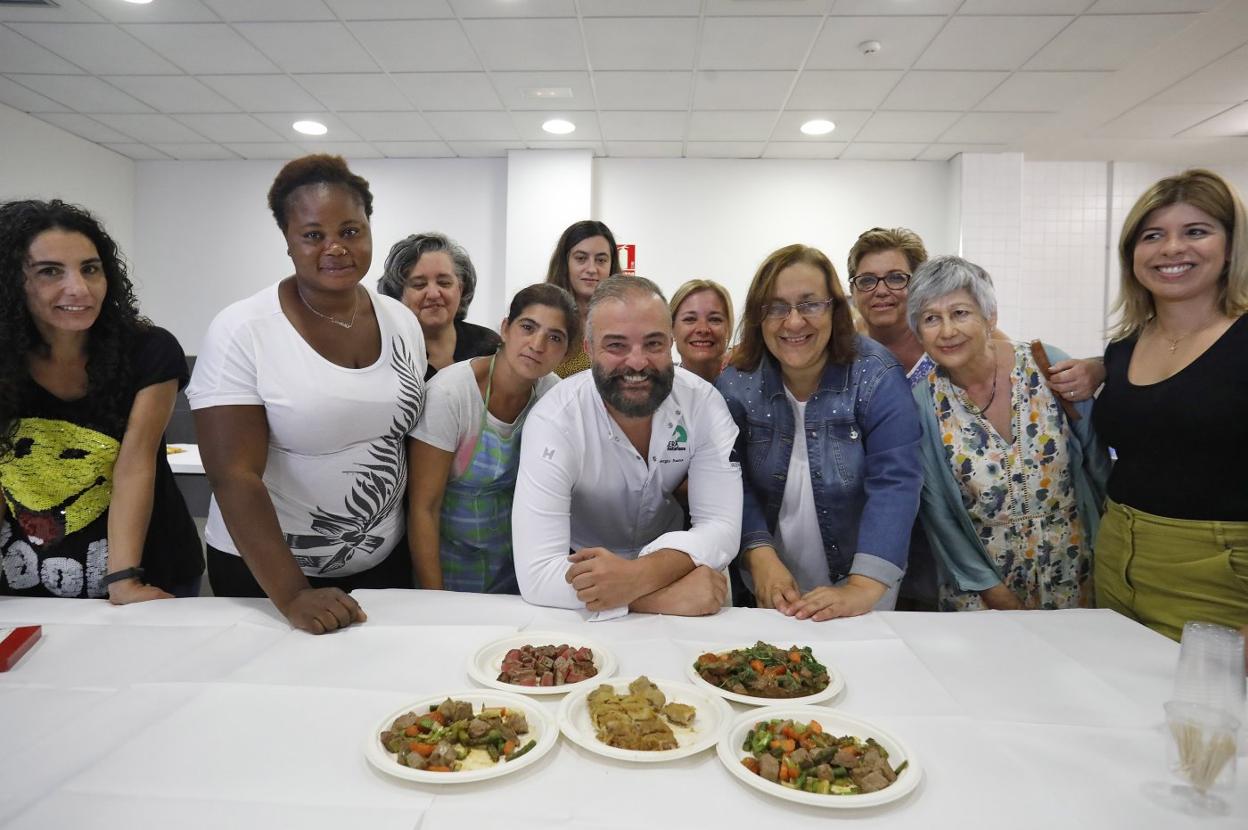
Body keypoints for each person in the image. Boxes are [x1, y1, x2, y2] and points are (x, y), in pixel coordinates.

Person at [188, 155, 426, 634]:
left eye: (351, 231)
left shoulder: (401, 320)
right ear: (288, 241)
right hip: (271, 577)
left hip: (382, 563)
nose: (335, 247)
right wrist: (292, 592)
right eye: (314, 234)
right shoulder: (243, 329)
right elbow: (233, 475)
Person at [0, 199, 202, 600]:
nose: (78, 288)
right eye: (49, 272)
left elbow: (135, 465)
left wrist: (123, 580)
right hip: (24, 575)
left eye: (90, 269)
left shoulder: (149, 350)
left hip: (149, 569)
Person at [512, 274, 741, 617]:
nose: (637, 363)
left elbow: (722, 526)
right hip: (584, 580)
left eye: (653, 344)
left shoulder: (703, 403)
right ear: (589, 349)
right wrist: (648, 598)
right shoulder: (555, 419)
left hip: (676, 566)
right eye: (616, 345)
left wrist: (640, 575)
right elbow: (538, 573)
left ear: (670, 343)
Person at [716, 244, 922, 620]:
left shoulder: (876, 376)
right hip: (766, 581)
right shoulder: (736, 383)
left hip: (862, 581)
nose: (793, 322)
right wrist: (759, 556)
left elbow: (896, 482)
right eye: (776, 307)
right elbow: (729, 478)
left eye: (810, 304)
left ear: (835, 310)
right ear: (759, 316)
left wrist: (861, 587)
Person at [1093, 168, 1248, 641]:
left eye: (1196, 231)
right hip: (1117, 552)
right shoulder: (1124, 348)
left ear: (1230, 246)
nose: (1171, 249)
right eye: (1152, 236)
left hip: (1219, 571)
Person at [907, 255, 1110, 611]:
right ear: (918, 332)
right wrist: (993, 592)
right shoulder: (923, 403)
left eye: (960, 313)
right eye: (931, 319)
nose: (947, 330)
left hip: (1072, 572)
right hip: (981, 589)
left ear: (990, 317)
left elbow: (1097, 459)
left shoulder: (1045, 363)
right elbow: (938, 512)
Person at [408, 284, 577, 593]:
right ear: (505, 329)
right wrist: (434, 600)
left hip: (515, 561)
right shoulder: (451, 395)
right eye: (528, 327)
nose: (537, 345)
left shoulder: (553, 394)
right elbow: (423, 508)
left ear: (565, 352)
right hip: (448, 561)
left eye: (555, 337)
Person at [846, 226, 1106, 401]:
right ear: (853, 289)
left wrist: (1097, 367)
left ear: (918, 284)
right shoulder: (844, 348)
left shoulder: (957, 339)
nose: (880, 290)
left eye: (896, 278)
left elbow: (1018, 362)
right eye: (867, 280)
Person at [377, 232, 500, 381]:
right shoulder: (385, 355)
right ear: (398, 294)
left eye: (444, 283)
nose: (433, 294)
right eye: (419, 285)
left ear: (461, 289)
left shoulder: (489, 346)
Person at [544, 220, 620, 378]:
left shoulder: (624, 318)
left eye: (601, 260)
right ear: (565, 263)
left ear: (611, 265)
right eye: (581, 258)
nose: (592, 269)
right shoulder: (545, 316)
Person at [669, 278, 734, 384]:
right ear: (672, 328)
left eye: (714, 319)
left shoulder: (750, 387)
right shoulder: (659, 386)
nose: (703, 329)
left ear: (728, 327)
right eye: (690, 319)